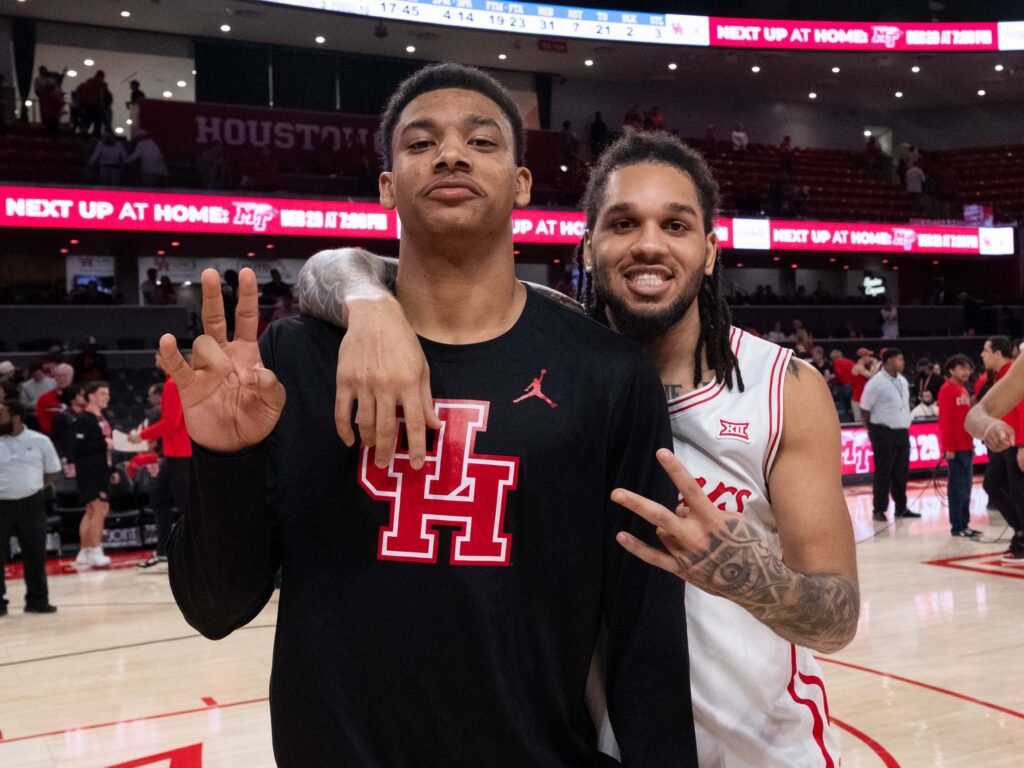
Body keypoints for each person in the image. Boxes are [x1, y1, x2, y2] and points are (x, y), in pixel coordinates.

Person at [161, 63, 696, 766]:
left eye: (480, 142)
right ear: (386, 187)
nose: (450, 154)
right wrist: (225, 461)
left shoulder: (607, 373)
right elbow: (215, 608)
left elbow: (644, 633)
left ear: (522, 183)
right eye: (420, 144)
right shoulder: (296, 360)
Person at [301, 130, 856, 767]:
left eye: (675, 225)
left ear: (708, 252)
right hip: (600, 751)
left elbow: (836, 619)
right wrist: (370, 306)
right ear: (589, 248)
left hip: (764, 751)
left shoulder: (782, 387)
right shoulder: (554, 345)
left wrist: (742, 574)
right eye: (624, 223)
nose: (649, 243)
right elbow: (339, 267)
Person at [0, 401, 60, 617]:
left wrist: (31, 486)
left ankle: (37, 600)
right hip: (1, 504)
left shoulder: (40, 440)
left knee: (35, 553)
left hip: (31, 503)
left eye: (1, 413)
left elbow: (52, 472)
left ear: (15, 417)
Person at [967, 337, 1024, 563]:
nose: (982, 355)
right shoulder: (1002, 376)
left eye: (986, 350)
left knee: (1018, 491)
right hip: (1005, 440)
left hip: (1015, 442)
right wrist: (988, 425)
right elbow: (976, 414)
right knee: (994, 485)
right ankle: (1020, 531)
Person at [131, 354, 190, 573]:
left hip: (180, 454)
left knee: (185, 506)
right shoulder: (176, 382)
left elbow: (171, 422)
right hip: (176, 452)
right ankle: (165, 552)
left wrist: (143, 435)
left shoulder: (173, 384)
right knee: (159, 498)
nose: (156, 358)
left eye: (158, 355)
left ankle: (192, 553)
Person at [860, 348, 918, 522]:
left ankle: (901, 507)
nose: (903, 362)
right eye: (899, 359)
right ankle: (879, 509)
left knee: (901, 472)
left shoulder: (902, 380)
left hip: (902, 431)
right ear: (887, 361)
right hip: (882, 431)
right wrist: (870, 429)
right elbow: (864, 408)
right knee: (883, 471)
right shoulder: (875, 382)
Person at [71, 381, 113, 568]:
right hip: (90, 471)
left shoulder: (101, 418)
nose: (107, 397)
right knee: (100, 509)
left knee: (91, 510)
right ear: (91, 396)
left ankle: (84, 552)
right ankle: (96, 550)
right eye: (103, 393)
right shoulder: (84, 419)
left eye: (107, 393)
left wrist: (111, 469)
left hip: (102, 469)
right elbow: (78, 447)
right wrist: (105, 445)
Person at [939, 354, 981, 538]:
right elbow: (945, 420)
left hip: (966, 445)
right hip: (955, 448)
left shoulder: (962, 390)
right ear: (951, 370)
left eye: (968, 368)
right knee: (957, 488)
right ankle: (957, 526)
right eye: (962, 368)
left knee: (966, 487)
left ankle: (965, 524)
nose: (967, 372)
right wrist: (948, 446)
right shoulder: (947, 390)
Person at [35, 363, 74, 434]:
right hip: (52, 436)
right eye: (59, 376)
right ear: (55, 378)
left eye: (65, 375)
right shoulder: (44, 398)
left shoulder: (80, 397)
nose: (61, 378)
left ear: (71, 377)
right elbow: (43, 420)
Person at [851, 347, 879, 422]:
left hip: (863, 399)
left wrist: (874, 366)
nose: (870, 358)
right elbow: (871, 376)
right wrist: (876, 364)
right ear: (863, 357)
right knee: (859, 422)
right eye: (868, 356)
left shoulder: (863, 367)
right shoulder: (858, 367)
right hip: (857, 399)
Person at [830, 349, 854, 422]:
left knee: (842, 407)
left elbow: (838, 374)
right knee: (850, 406)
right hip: (851, 386)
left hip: (842, 386)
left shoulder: (837, 362)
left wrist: (834, 379)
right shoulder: (850, 361)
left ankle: (844, 423)